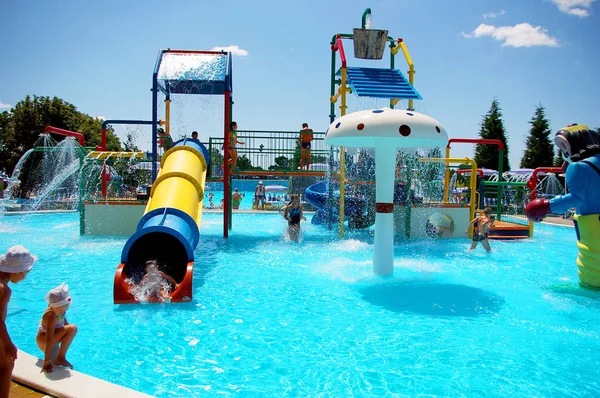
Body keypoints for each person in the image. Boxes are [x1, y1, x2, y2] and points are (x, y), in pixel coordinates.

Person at [0, 246, 36, 393]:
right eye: (25, 273)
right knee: (6, 366)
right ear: (17, 271)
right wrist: (8, 343)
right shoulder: (3, 289)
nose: (25, 277)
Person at [36, 283, 78, 373]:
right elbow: (49, 338)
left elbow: (63, 322)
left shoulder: (58, 310)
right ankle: (61, 358)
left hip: (51, 340)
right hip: (44, 341)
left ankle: (60, 358)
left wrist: (69, 335)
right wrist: (46, 361)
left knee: (71, 329)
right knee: (73, 328)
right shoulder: (52, 315)